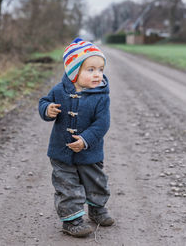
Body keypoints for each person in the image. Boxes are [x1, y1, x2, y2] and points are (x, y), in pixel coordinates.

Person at [38, 37, 114, 237]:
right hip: (61, 153)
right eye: (90, 70)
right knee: (66, 185)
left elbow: (102, 123)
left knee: (96, 182)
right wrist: (48, 109)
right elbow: (43, 101)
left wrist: (86, 140)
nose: (97, 74)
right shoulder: (59, 91)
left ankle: (97, 210)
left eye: (100, 69)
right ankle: (72, 220)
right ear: (74, 72)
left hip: (90, 153)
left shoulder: (101, 96)